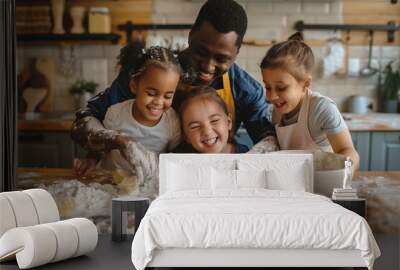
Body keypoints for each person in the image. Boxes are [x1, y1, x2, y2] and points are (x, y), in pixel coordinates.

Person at [71, 0, 278, 184]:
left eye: (222, 59)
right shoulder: (152, 71)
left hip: (211, 185)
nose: (208, 67)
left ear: (236, 55)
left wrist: (244, 168)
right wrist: (118, 141)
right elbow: (83, 120)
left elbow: (270, 138)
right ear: (190, 36)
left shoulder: (244, 89)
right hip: (139, 182)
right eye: (201, 52)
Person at [74, 46, 182, 177]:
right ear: (134, 86)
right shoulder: (115, 114)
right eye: (151, 93)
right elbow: (102, 147)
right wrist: (91, 159)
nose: (159, 102)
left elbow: (175, 158)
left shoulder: (172, 121)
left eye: (168, 96)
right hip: (112, 185)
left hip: (148, 188)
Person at [259, 32, 360, 169]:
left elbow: (348, 151)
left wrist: (342, 173)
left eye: (281, 88)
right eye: (268, 87)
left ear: (306, 84)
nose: (271, 96)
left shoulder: (322, 108)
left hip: (321, 180)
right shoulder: (278, 109)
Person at [177, 86, 248, 154]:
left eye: (214, 121)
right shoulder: (177, 159)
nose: (207, 132)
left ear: (228, 122)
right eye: (195, 126)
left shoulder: (246, 155)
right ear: (185, 136)